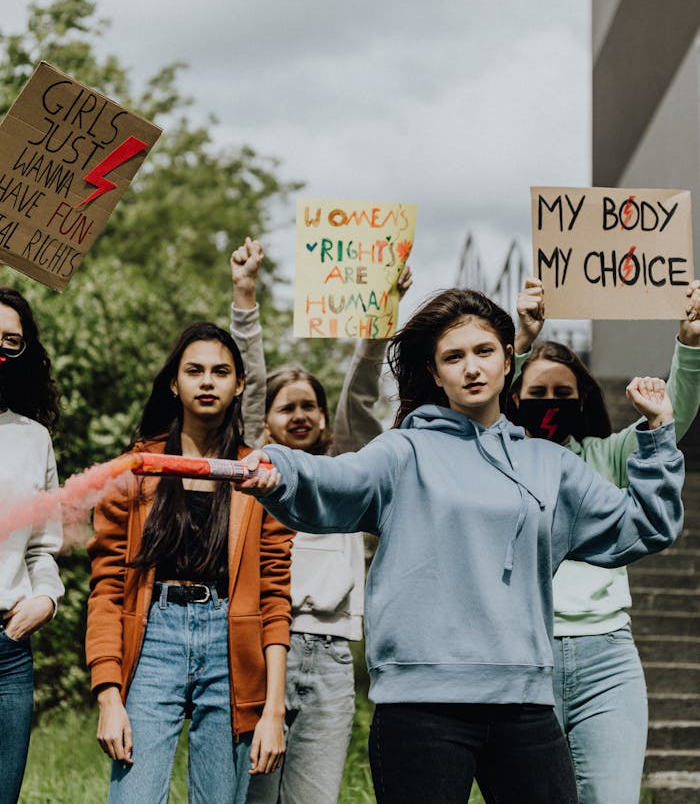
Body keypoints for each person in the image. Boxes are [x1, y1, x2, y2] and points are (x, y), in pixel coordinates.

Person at [237, 287, 685, 804]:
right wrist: (278, 466)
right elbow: (333, 479)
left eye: (484, 351)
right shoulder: (403, 451)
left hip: (524, 705)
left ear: (506, 361)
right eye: (454, 356)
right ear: (434, 373)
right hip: (420, 707)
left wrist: (656, 433)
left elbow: (645, 523)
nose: (471, 367)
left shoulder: (550, 465)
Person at [229, 237, 411, 804]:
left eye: (310, 405)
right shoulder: (252, 473)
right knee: (254, 796)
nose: (301, 415)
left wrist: (382, 319)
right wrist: (245, 296)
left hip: (332, 655)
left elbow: (360, 396)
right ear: (266, 422)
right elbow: (250, 387)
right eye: (289, 408)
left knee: (313, 798)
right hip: (259, 646)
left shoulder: (345, 473)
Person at [507, 276, 700, 804]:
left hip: (607, 659)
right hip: (524, 658)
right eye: (537, 393)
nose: (550, 402)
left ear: (582, 398)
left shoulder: (606, 456)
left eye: (562, 394)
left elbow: (671, 414)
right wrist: (520, 343)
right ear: (515, 397)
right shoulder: (495, 461)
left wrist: (689, 343)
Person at [86, 321, 294, 804]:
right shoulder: (136, 470)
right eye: (194, 370)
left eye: (221, 371)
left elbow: (275, 599)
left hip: (231, 646)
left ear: (240, 384)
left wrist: (273, 711)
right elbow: (106, 589)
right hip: (153, 639)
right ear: (173, 384)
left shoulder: (258, 476)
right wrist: (109, 694)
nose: (207, 381)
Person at [0, 287, 64, 804]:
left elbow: (43, 546)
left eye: (10, 340)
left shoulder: (34, 438)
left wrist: (46, 597)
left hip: (7, 651)